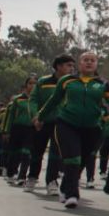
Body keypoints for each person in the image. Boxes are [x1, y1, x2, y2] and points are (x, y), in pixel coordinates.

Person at [35, 51, 109, 208]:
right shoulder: (67, 81)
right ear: (79, 64)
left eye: (92, 60)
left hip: (92, 128)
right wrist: (40, 117)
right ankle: (72, 194)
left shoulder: (102, 83)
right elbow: (53, 101)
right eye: (85, 60)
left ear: (96, 64)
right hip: (67, 124)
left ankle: (65, 187)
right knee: (72, 159)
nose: (89, 63)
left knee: (80, 161)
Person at [27, 54, 75, 193]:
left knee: (56, 153)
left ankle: (52, 181)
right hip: (42, 122)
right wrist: (36, 117)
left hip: (62, 123)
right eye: (68, 65)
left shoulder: (72, 83)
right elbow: (34, 99)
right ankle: (32, 177)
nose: (71, 68)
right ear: (58, 66)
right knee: (37, 151)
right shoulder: (43, 81)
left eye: (73, 66)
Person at [3, 78, 37, 185]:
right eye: (30, 83)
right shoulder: (18, 100)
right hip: (17, 128)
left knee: (26, 153)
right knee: (15, 153)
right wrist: (6, 131)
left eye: (35, 84)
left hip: (31, 129)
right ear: (26, 85)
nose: (32, 86)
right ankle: (10, 174)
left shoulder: (37, 100)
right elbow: (11, 116)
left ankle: (22, 177)